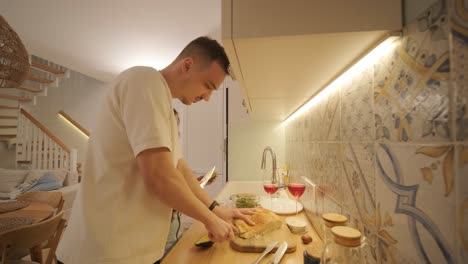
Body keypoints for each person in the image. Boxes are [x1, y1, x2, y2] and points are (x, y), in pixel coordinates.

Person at [56, 36, 255, 264]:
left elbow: (178, 168)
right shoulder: (144, 80)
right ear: (187, 65)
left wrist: (216, 209)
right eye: (208, 86)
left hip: (134, 251)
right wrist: (209, 219)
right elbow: (159, 176)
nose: (208, 97)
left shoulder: (164, 107)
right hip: (104, 252)